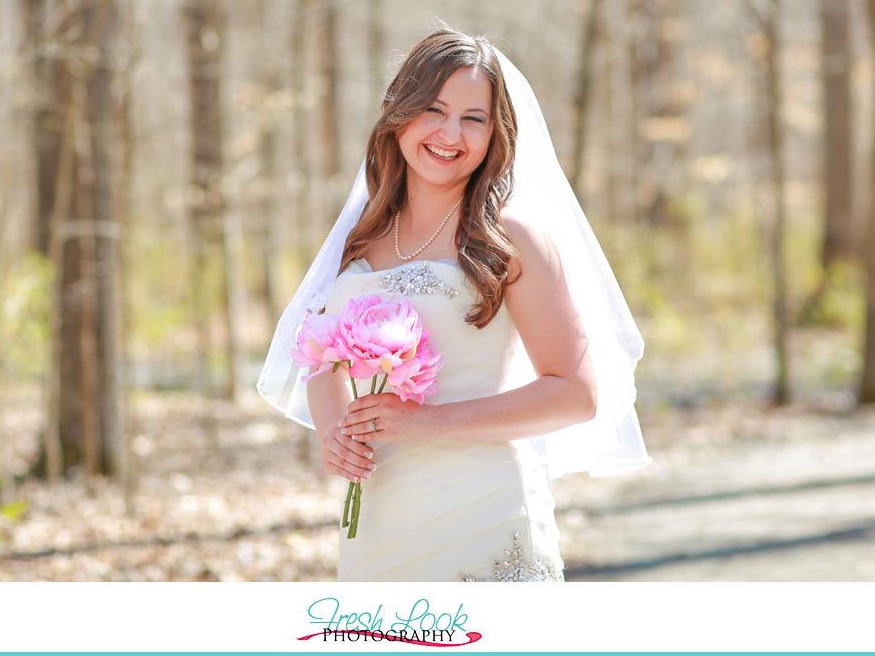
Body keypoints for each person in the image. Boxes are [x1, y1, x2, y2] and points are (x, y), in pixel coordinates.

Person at [257, 30, 649, 583]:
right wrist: (333, 434)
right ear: (400, 115)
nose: (449, 133)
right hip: (379, 519)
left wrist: (431, 423)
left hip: (482, 509)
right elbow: (325, 356)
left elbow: (577, 394)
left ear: (496, 133)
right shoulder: (361, 238)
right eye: (434, 110)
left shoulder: (509, 237)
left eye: (474, 118)